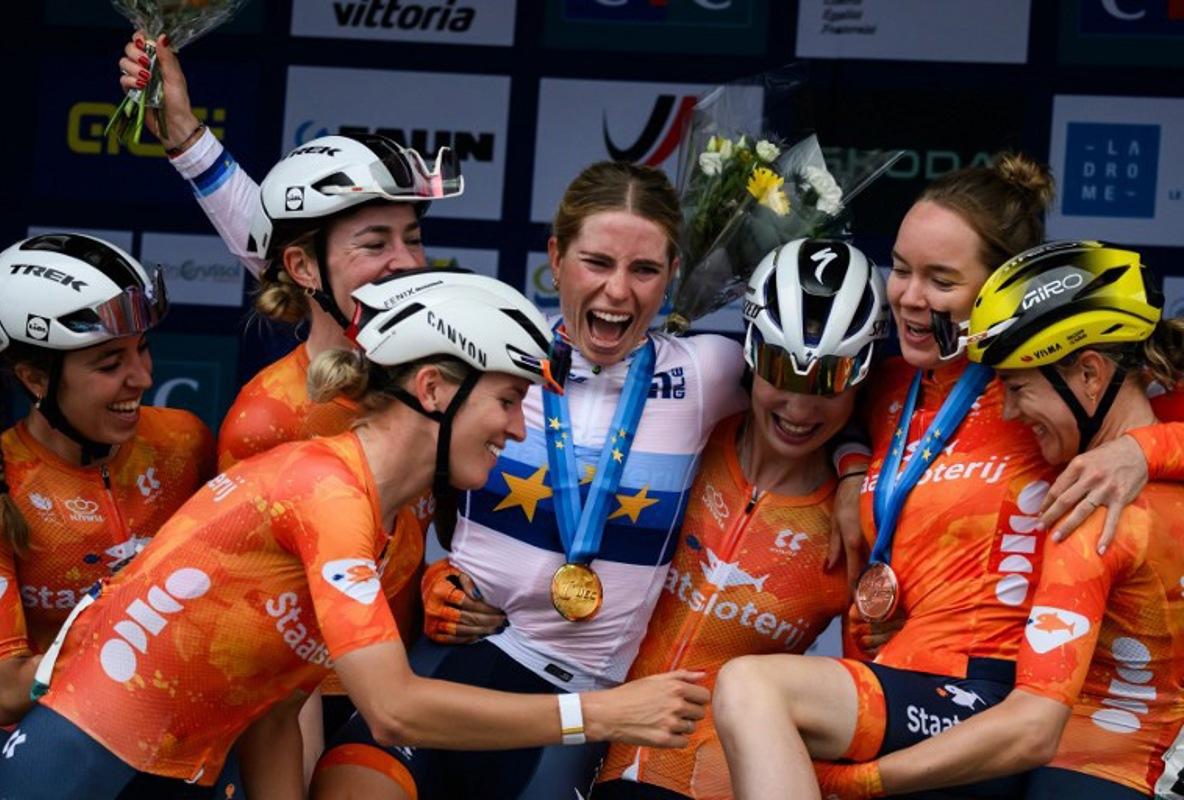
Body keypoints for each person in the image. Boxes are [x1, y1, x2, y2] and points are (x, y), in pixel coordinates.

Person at [0, 271, 711, 800]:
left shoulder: (388, 523)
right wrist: (603, 714)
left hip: (172, 772)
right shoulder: (325, 490)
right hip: (81, 768)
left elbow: (271, 699)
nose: (519, 427)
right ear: (432, 390)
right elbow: (394, 707)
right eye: (508, 400)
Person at [710, 155, 1184, 800]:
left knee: (753, 688)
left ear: (999, 290)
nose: (908, 295)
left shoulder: (1041, 389)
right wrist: (852, 467)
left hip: (986, 695)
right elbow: (821, 408)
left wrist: (1142, 451)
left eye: (940, 280)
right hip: (887, 678)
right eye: (901, 269)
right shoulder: (889, 382)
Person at [313, 160, 750, 800]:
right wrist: (437, 575)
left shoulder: (709, 370)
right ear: (555, 256)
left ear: (673, 275)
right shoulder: (492, 348)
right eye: (597, 263)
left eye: (645, 270)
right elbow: (307, 279)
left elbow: (825, 394)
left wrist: (852, 465)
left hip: (579, 697)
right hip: (458, 661)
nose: (619, 292)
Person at [117, 33, 460, 779]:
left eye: (415, 236)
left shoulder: (449, 353)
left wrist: (448, 573)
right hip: (291, 688)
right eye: (379, 241)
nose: (405, 261)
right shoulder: (267, 419)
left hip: (405, 687)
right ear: (304, 269)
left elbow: (304, 253)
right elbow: (269, 639)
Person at [808, 240, 1184, 800]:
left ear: (1089, 374)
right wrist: (852, 466)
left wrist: (860, 783)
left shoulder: (1087, 512)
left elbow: (1031, 727)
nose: (1006, 413)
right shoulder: (1120, 452)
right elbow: (848, 402)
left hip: (1100, 763)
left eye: (1017, 388)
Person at [592, 238, 889, 800]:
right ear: (750, 351)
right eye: (780, 369)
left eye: (828, 380)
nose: (800, 409)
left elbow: (869, 696)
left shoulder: (861, 519)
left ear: (862, 380)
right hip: (582, 744)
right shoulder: (685, 432)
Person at [0, 234, 214, 753]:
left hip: (166, 721)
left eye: (143, 349)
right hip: (34, 734)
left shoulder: (185, 441)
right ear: (34, 378)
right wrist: (131, 632)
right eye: (110, 364)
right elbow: (1, 692)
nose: (143, 377)